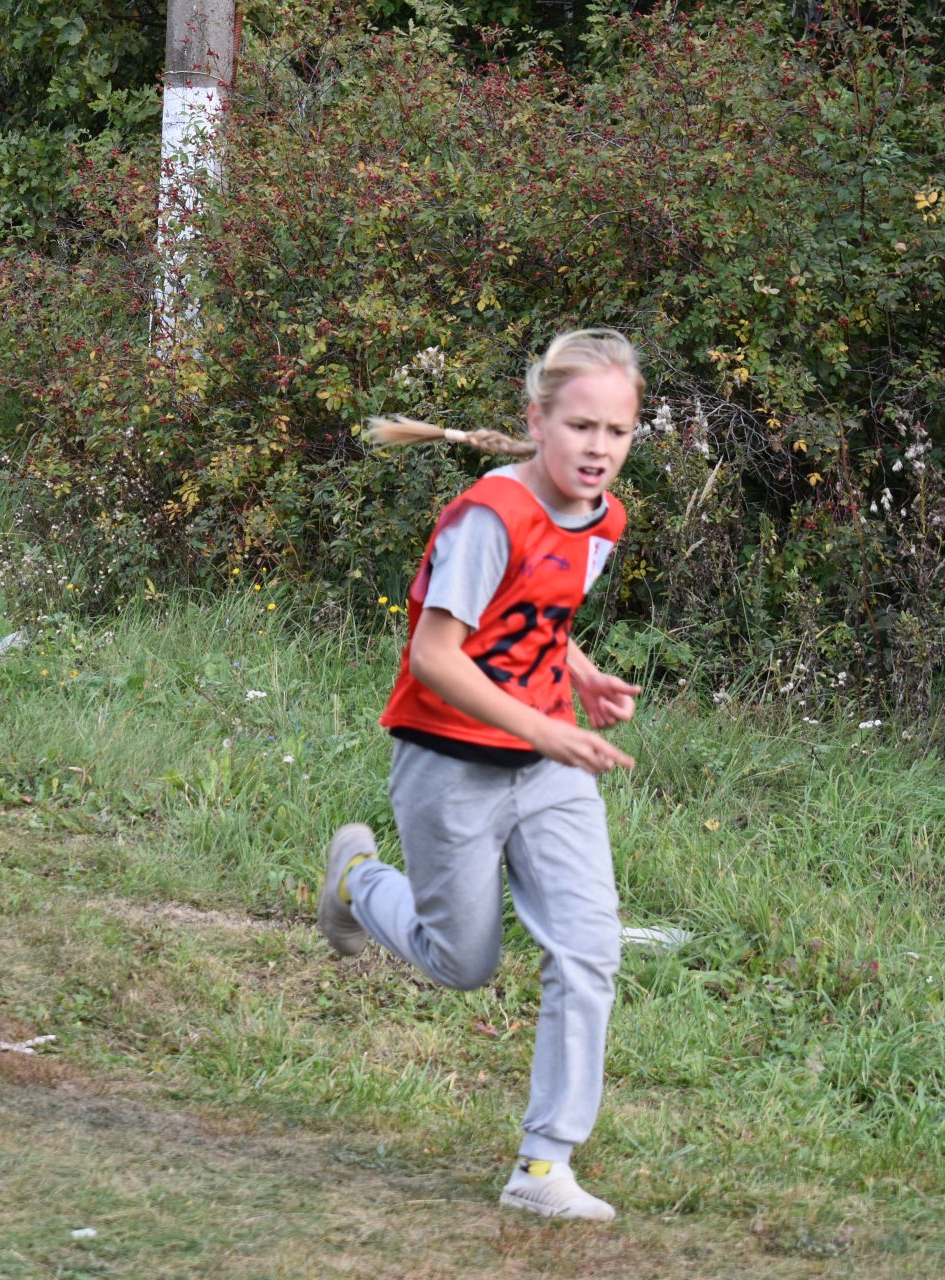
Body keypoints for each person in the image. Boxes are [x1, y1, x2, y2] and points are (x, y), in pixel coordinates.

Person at [317, 329, 645, 1223]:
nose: (598, 449)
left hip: (545, 766)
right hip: (447, 761)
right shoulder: (486, 517)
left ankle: (542, 1169)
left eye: (617, 432)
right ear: (537, 420)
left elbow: (536, 611)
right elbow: (434, 657)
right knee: (462, 962)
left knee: (589, 950)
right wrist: (546, 726)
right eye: (580, 426)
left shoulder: (602, 520)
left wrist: (576, 674)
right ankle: (356, 880)